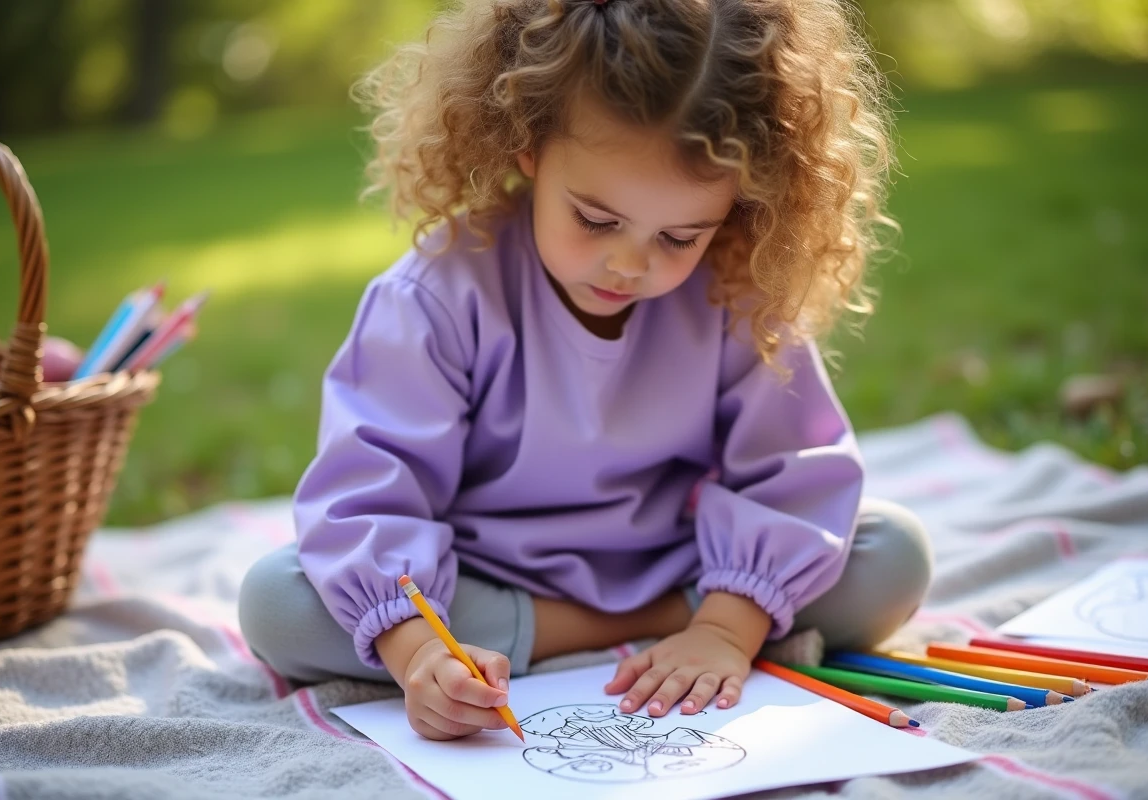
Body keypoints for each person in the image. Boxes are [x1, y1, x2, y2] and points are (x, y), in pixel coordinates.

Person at [240, 0, 932, 742]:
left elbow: (795, 475)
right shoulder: (435, 297)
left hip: (684, 568)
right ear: (528, 147)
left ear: (736, 206)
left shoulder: (735, 296)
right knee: (279, 601)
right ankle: (644, 626)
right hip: (481, 585)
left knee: (892, 553)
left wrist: (726, 630)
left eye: (680, 235)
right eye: (597, 220)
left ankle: (679, 623)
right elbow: (371, 495)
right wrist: (417, 656)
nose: (630, 264)